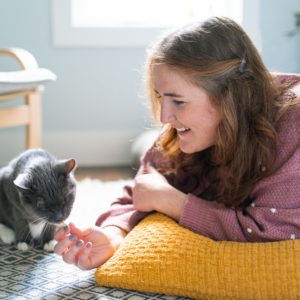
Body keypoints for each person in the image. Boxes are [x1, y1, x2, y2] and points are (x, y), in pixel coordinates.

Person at [54, 16, 300, 270]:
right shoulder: (187, 129)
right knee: (150, 149)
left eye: (178, 102)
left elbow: (272, 232)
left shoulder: (294, 124)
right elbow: (140, 192)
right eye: (161, 98)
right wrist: (113, 234)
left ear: (231, 96)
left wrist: (172, 202)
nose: (163, 117)